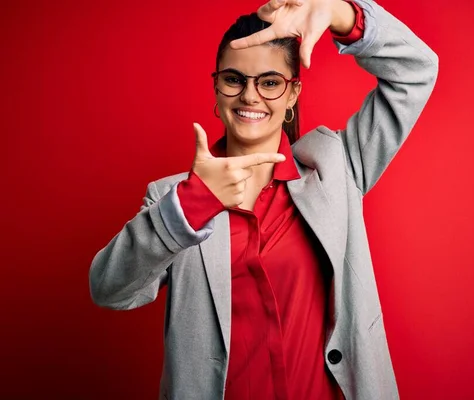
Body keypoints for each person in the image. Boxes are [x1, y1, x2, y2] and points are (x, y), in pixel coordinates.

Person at [89, 0, 438, 398]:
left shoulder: (338, 169)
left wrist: (342, 13)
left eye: (270, 82)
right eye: (234, 79)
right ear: (217, 88)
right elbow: (110, 290)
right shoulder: (174, 200)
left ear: (292, 94)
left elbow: (415, 71)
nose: (250, 96)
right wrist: (191, 206)